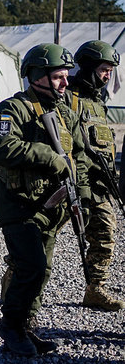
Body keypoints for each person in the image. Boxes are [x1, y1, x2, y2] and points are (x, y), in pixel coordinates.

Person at [0, 43, 90, 356]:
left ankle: (26, 327)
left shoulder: (64, 114)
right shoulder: (11, 109)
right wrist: (48, 155)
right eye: (58, 77)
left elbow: (80, 157)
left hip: (52, 206)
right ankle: (10, 324)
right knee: (30, 266)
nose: (65, 82)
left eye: (65, 76)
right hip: (19, 204)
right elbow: (4, 148)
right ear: (37, 76)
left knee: (42, 269)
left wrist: (83, 193)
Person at [67, 40, 123, 311]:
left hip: (98, 185)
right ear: (89, 67)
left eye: (111, 70)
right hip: (67, 182)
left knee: (105, 234)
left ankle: (95, 288)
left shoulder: (98, 102)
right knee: (40, 237)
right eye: (104, 69)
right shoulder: (67, 96)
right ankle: (15, 282)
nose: (108, 75)